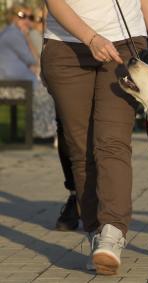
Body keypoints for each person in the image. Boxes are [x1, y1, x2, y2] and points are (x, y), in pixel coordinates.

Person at [41, 0, 148, 275]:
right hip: (65, 46)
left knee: (112, 143)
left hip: (124, 44)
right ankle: (95, 234)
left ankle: (112, 234)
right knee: (81, 149)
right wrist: (91, 38)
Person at [28, 6, 80, 232]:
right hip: (64, 47)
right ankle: (75, 194)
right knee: (66, 127)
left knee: (105, 131)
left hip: (112, 44)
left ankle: (103, 198)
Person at [0, 4, 56, 141]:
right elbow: (33, 59)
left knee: (47, 89)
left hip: (15, 80)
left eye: (29, 17)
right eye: (22, 16)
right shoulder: (14, 34)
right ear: (12, 17)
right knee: (48, 91)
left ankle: (43, 132)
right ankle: (43, 133)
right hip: (12, 84)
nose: (27, 20)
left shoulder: (9, 32)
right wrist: (27, 37)